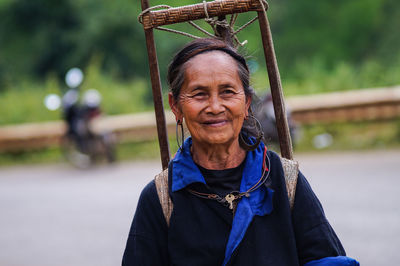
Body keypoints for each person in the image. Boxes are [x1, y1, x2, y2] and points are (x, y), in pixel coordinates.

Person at [122, 38, 359, 266]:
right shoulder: (161, 198)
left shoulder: (285, 180)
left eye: (227, 92)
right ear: (176, 106)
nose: (215, 107)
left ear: (246, 103)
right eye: (199, 94)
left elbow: (326, 261)